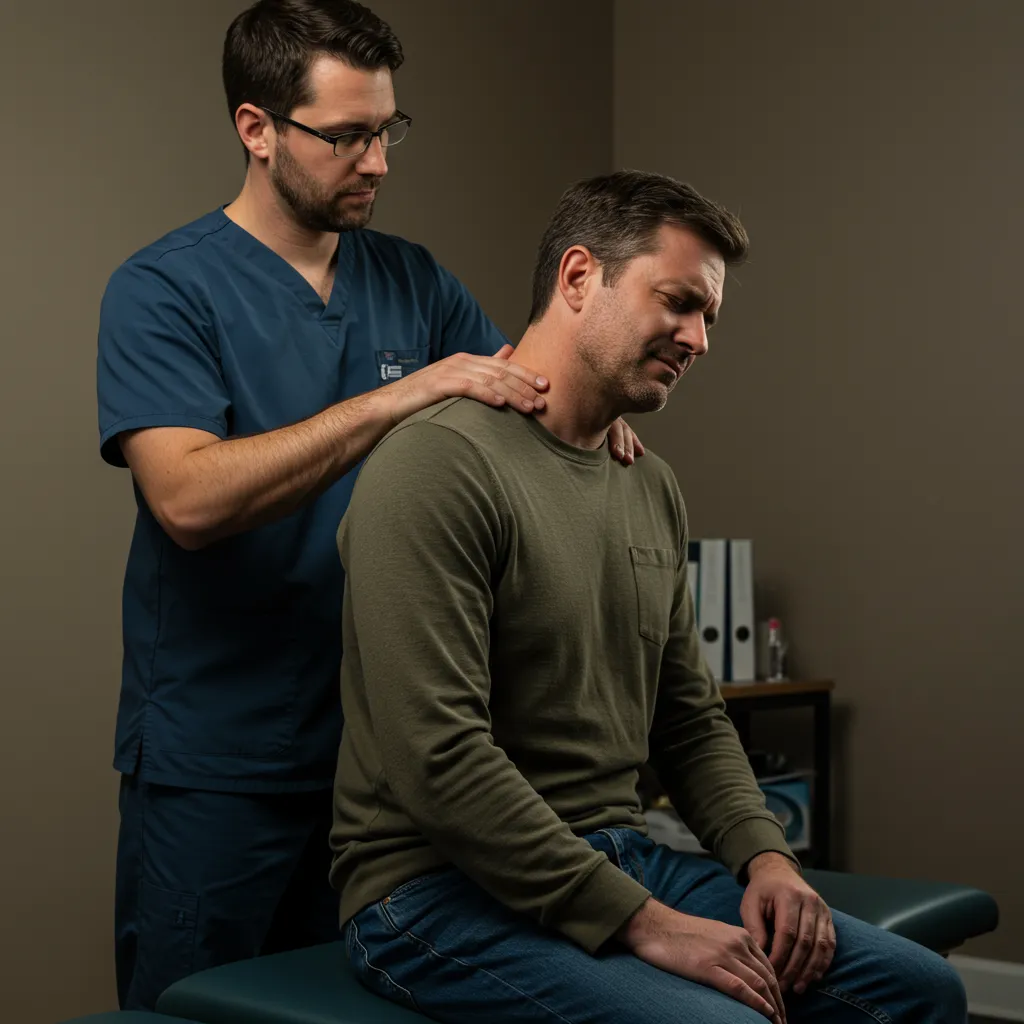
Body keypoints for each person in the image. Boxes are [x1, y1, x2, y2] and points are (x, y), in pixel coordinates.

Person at [96, 0, 642, 1011]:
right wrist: (407, 390)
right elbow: (186, 497)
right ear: (257, 129)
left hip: (382, 769)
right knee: (197, 1008)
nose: (377, 161)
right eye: (345, 136)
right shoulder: (163, 290)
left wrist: (596, 401)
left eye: (386, 131)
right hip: (222, 759)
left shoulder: (414, 281)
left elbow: (523, 386)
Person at [330, 170, 968, 1024]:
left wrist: (766, 860)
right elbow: (439, 762)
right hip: (435, 890)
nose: (698, 338)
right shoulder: (436, 467)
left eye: (710, 316)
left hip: (624, 853)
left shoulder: (649, 484)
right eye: (678, 302)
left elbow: (689, 717)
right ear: (579, 276)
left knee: (923, 991)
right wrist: (645, 924)